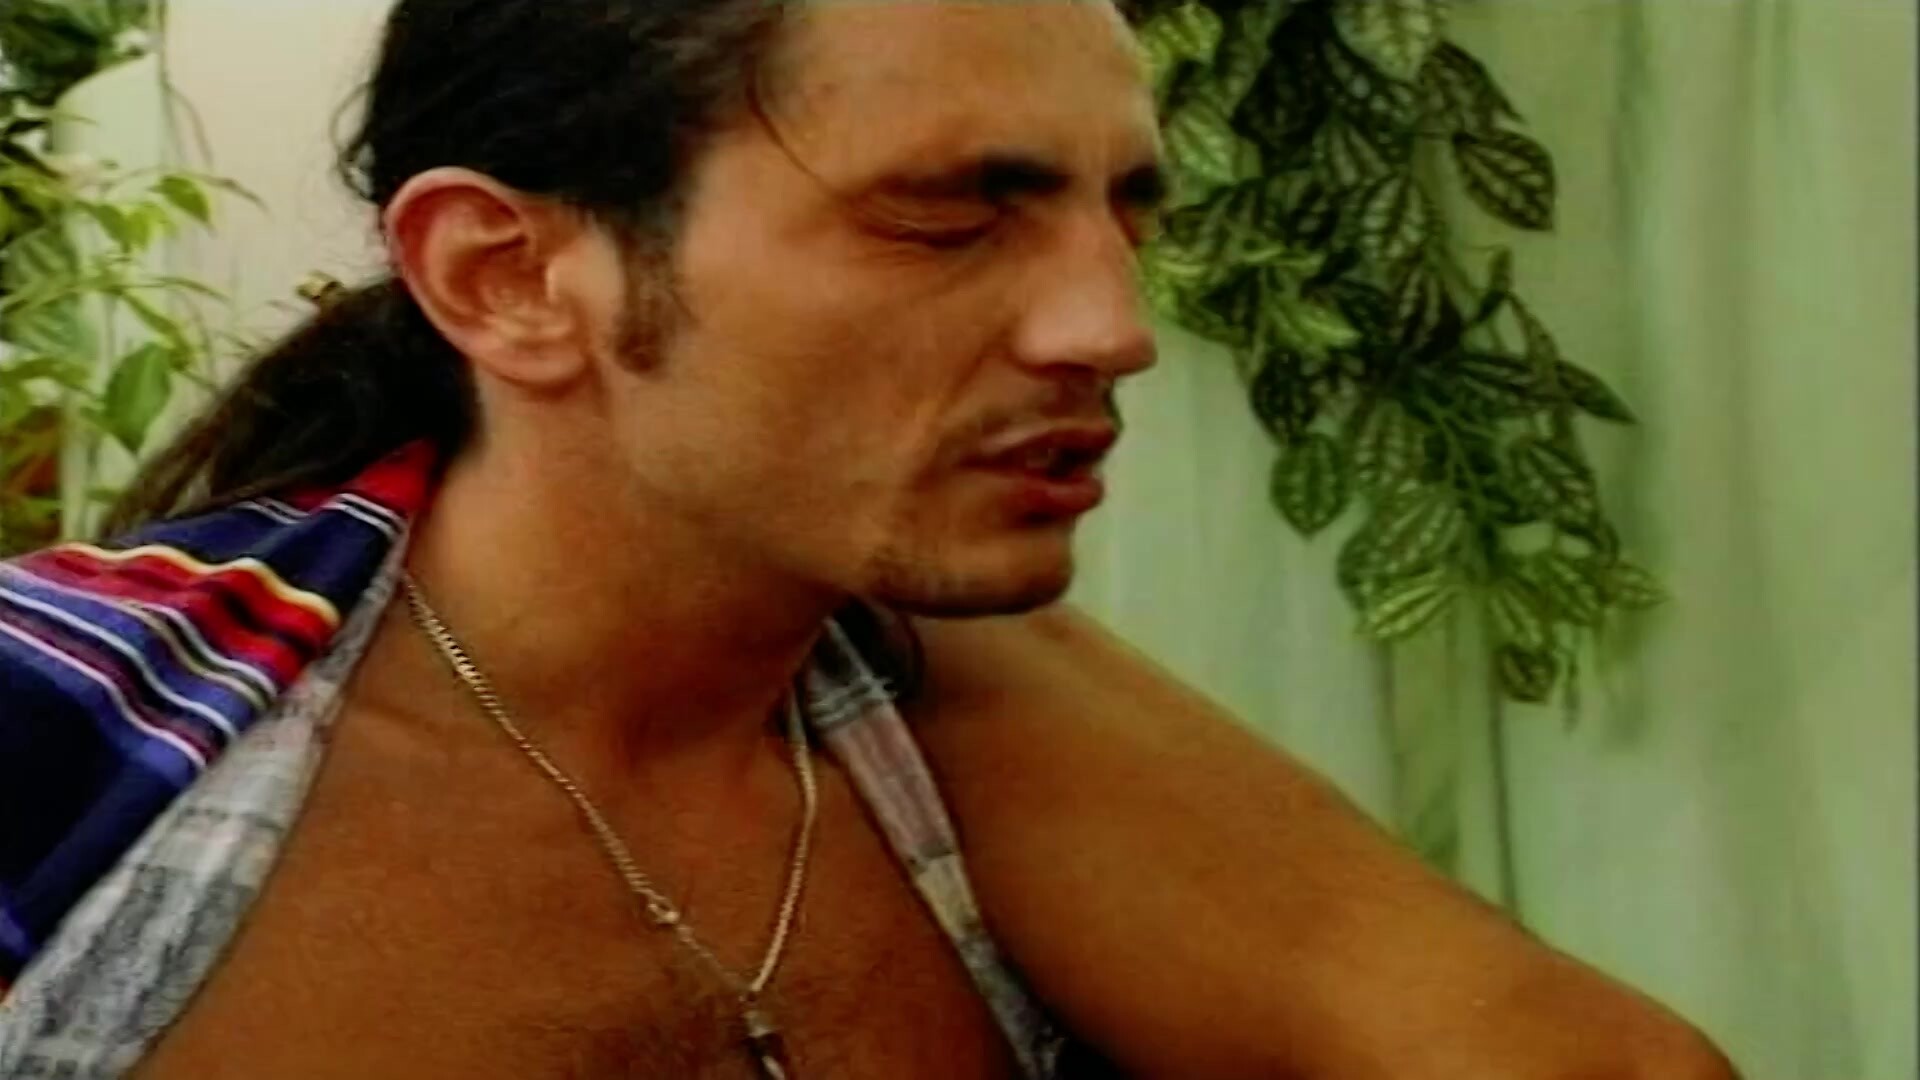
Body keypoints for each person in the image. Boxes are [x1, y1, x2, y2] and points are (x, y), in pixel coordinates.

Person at [0, 0, 1741, 1076]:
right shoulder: (72, 745)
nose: (1112, 327)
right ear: (509, 277)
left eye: (1126, 211)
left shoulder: (936, 715)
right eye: (948, 218)